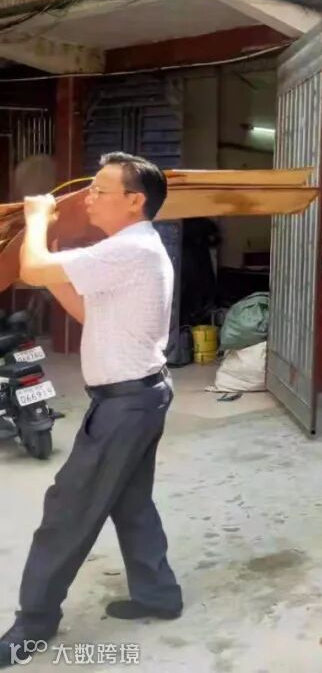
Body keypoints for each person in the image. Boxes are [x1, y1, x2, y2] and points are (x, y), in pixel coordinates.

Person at [1, 153, 182, 668]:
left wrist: (38, 219)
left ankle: (34, 624)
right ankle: (158, 594)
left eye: (101, 190)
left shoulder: (129, 248)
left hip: (127, 403)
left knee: (67, 509)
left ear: (135, 200)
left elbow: (30, 267)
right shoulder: (132, 250)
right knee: (130, 502)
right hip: (139, 396)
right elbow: (88, 310)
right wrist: (57, 260)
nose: (89, 199)